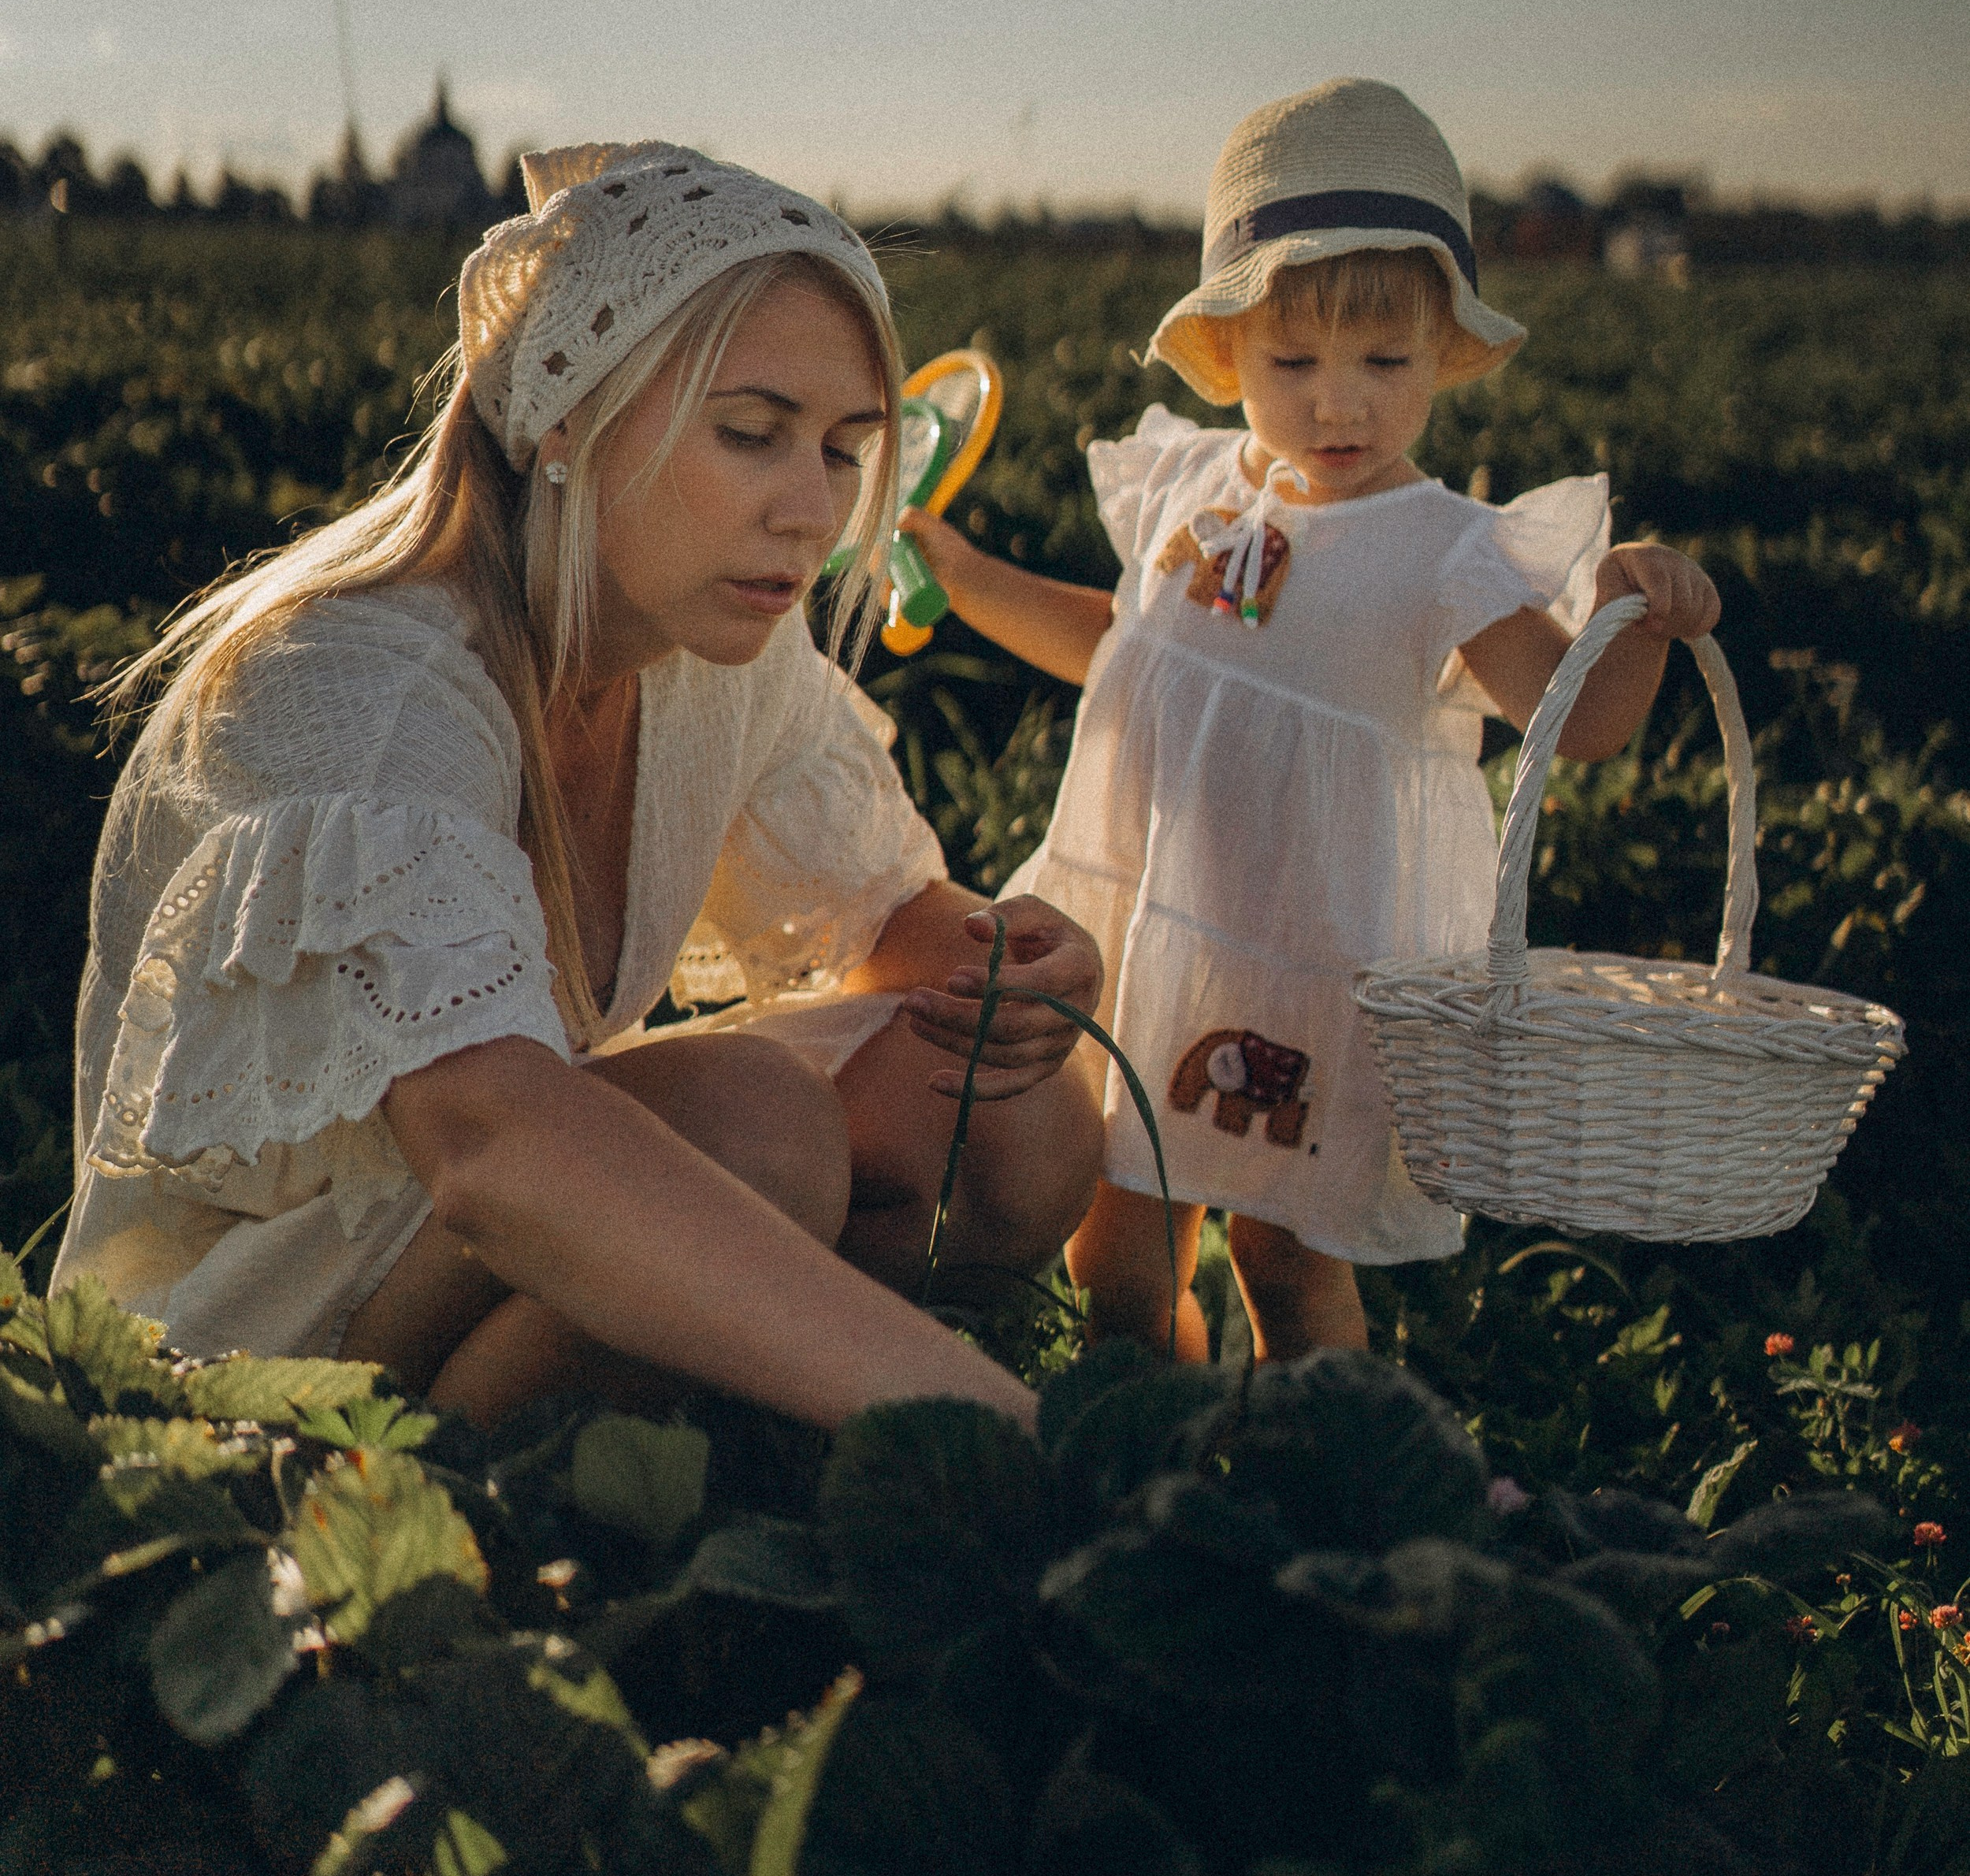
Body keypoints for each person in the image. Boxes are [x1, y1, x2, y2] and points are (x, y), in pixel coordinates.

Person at [54, 143, 1104, 1433]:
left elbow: (889, 926)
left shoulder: (713, 641)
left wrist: (1018, 965)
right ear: (570, 414)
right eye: (751, 433)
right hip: (265, 1344)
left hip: (481, 1249)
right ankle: (453, 1507)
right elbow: (490, 1147)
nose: (809, 509)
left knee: (1020, 1121)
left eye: (842, 451)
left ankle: (757, 1422)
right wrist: (1003, 1431)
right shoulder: (363, 688)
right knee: (755, 1128)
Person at [900, 79, 1719, 1362]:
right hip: (1158, 926)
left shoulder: (1440, 552)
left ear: (1443, 354)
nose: (1341, 403)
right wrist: (962, 575)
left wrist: (1633, 609)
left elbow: (1581, 723)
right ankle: (1143, 1444)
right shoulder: (1193, 488)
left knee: (1287, 1260)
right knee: (1115, 1241)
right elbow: (1124, 651)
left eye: (1386, 361)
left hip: (1313, 966)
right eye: (1295, 364)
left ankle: (1327, 1470)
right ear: (1228, 357)